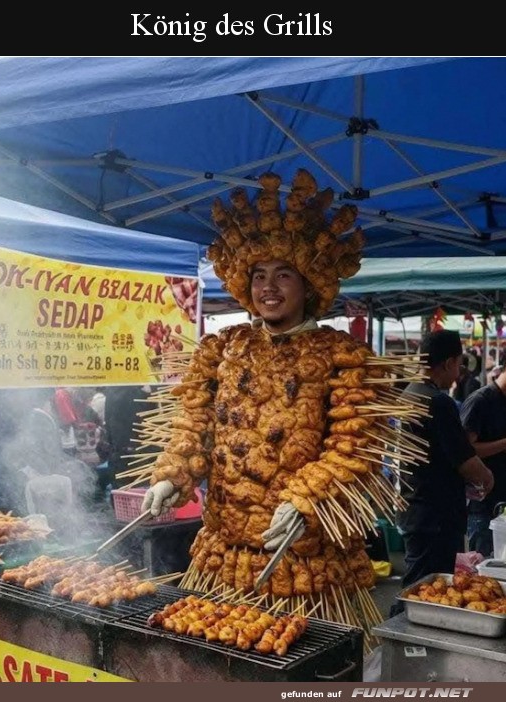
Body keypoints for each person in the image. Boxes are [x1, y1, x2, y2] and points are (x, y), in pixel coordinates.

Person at [134, 168, 423, 633]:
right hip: (224, 556)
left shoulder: (345, 357)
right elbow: (194, 425)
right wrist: (173, 474)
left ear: (309, 285)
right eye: (259, 274)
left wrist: (307, 499)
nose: (268, 286)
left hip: (308, 565)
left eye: (283, 274)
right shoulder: (220, 348)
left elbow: (356, 446)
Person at [396, 330, 494, 589]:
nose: (459, 371)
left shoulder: (410, 392)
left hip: (415, 507)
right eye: (459, 363)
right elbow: (465, 459)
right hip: (435, 515)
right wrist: (486, 477)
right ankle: (395, 626)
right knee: (425, 587)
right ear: (449, 362)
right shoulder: (437, 402)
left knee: (420, 582)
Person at [460, 361, 506, 556]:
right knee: (480, 567)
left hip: (502, 502)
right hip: (482, 504)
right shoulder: (480, 401)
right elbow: (464, 450)